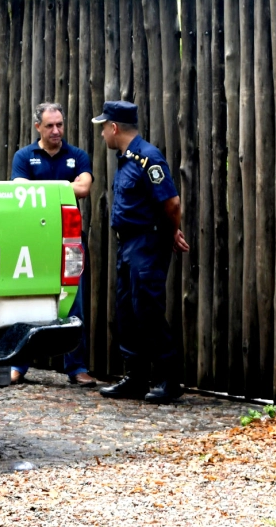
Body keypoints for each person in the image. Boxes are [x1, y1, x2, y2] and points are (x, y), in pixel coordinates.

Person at [92, 100, 189, 402]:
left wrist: (172, 232)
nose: (102, 135)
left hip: (147, 243)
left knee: (147, 310)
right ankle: (135, 378)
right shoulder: (125, 158)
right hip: (127, 244)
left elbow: (171, 203)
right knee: (127, 311)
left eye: (103, 128)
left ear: (115, 127)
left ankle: (169, 380)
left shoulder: (149, 158)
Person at [9, 102, 96, 386]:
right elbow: (20, 191)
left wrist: (42, 188)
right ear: (38, 127)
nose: (56, 130)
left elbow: (84, 188)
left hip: (69, 242)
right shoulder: (24, 156)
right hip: (33, 241)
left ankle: (77, 368)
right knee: (26, 301)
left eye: (59, 124)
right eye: (50, 126)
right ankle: (18, 365)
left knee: (74, 304)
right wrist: (62, 186)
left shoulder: (78, 155)